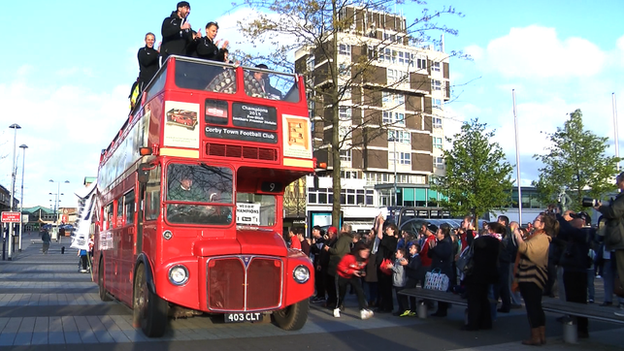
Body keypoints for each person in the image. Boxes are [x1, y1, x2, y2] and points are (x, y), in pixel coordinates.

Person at [513, 212, 558, 346]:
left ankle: (536, 337)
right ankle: (540, 335)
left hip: (531, 276)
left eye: (537, 220)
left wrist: (517, 235)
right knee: (535, 307)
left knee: (533, 307)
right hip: (531, 275)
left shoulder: (542, 238)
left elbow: (525, 248)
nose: (534, 221)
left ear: (543, 224)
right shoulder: (538, 236)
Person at [595, 171, 624, 318]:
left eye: (618, 181)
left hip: (621, 240)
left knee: (622, 273)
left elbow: (613, 212)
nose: (617, 184)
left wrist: (600, 208)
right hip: (620, 240)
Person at [463, 222, 501, 330]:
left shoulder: (480, 242)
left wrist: (469, 231)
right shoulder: (496, 243)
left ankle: (473, 323)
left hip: (476, 273)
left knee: (474, 300)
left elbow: (472, 244)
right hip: (490, 273)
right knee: (484, 299)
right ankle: (486, 323)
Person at [335, 241, 374, 319]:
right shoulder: (349, 257)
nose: (366, 254)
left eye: (367, 252)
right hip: (343, 275)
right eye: (364, 251)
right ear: (359, 251)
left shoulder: (365, 259)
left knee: (360, 291)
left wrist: (362, 272)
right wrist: (351, 271)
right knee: (342, 293)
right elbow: (340, 267)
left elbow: (360, 267)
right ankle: (337, 308)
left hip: (353, 276)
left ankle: (363, 310)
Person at [325, 224, 353, 314]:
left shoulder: (342, 239)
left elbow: (337, 250)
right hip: (342, 263)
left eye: (341, 228)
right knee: (338, 285)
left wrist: (328, 249)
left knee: (337, 286)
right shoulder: (348, 239)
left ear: (344, 229)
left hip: (337, 263)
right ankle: (338, 302)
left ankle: (338, 304)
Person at [428, 223, 454, 317]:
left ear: (443, 234)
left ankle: (443, 310)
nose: (436, 233)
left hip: (444, 270)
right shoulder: (438, 243)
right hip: (437, 267)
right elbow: (430, 255)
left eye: (438, 232)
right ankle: (440, 309)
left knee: (443, 290)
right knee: (438, 291)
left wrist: (435, 248)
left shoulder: (446, 243)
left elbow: (444, 255)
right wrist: (431, 249)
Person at [387, 248, 408, 316]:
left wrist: (391, 267)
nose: (396, 253)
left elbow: (399, 271)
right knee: (399, 297)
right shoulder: (397, 260)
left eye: (397, 253)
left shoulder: (401, 261)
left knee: (401, 297)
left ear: (401, 255)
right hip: (397, 281)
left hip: (400, 282)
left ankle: (403, 309)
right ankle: (401, 309)